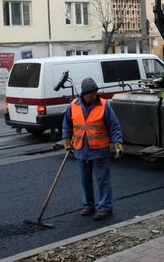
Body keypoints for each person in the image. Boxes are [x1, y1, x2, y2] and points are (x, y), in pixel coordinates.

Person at [62, 77, 123, 221]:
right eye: (90, 94)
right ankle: (88, 205)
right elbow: (66, 124)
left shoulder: (104, 105)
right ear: (83, 94)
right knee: (85, 179)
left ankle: (106, 208)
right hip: (81, 149)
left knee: (103, 180)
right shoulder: (73, 106)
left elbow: (114, 126)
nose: (93, 96)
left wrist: (118, 143)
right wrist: (66, 140)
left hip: (99, 149)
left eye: (95, 93)